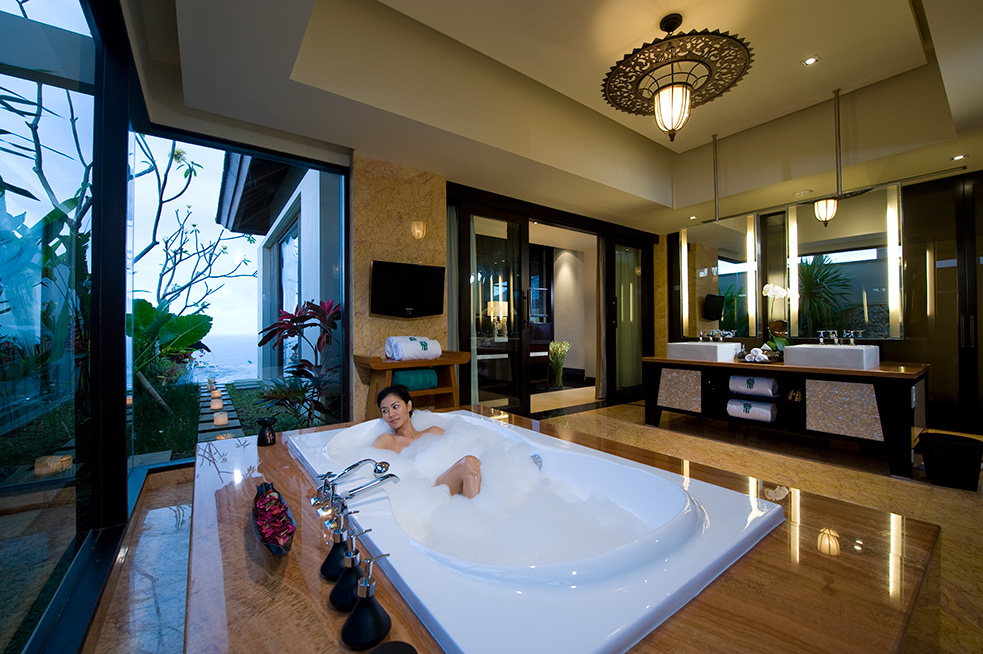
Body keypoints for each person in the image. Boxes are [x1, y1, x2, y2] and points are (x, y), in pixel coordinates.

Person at [373, 385, 482, 498]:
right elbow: (370, 472)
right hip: (414, 494)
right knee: (470, 463)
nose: (391, 414)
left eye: (395, 407)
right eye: (385, 411)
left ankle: (474, 507)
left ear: (408, 406)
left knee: (471, 463)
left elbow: (462, 450)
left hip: (437, 489)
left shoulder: (433, 432)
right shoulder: (386, 440)